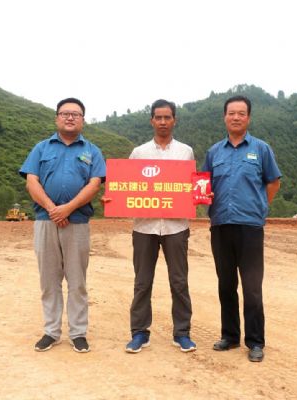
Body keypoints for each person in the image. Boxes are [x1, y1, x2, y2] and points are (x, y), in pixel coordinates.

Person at [19, 98, 105, 353]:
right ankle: (51, 331)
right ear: (57, 118)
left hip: (77, 222)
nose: (70, 117)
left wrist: (68, 209)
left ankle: (78, 333)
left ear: (83, 120)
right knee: (49, 280)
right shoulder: (41, 148)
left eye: (75, 114)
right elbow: (31, 181)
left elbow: (94, 184)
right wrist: (52, 209)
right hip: (45, 222)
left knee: (77, 281)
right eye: (65, 113)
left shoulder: (92, 151)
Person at [202, 95, 281, 362]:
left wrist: (260, 207)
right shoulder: (214, 152)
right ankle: (230, 336)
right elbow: (203, 186)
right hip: (221, 225)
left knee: (252, 287)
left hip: (250, 227)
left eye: (241, 113)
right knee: (226, 285)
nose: (236, 117)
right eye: (231, 113)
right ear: (224, 117)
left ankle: (255, 341)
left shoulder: (261, 149)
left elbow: (273, 182)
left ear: (248, 117)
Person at [125, 99, 197, 353]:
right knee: (142, 282)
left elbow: (191, 187)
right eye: (158, 117)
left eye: (167, 117)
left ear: (174, 120)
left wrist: (201, 195)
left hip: (176, 227)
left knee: (179, 282)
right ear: (152, 121)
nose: (163, 122)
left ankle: (182, 333)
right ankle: (139, 333)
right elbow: (127, 186)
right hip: (144, 227)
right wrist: (114, 199)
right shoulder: (139, 152)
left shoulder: (186, 152)